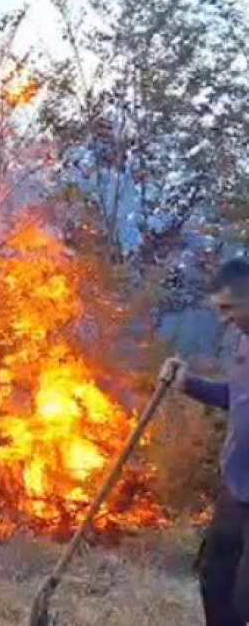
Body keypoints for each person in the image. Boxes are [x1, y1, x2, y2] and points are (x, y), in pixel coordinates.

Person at [170, 259, 249, 626]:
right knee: (213, 584)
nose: (222, 319)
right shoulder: (245, 343)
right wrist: (187, 383)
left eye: (228, 308)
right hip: (235, 491)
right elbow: (235, 397)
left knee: (245, 598)